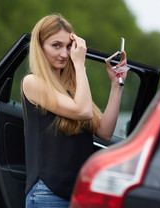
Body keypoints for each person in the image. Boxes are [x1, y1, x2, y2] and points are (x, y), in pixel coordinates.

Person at [22, 14, 127, 208]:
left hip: (78, 193)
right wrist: (80, 64)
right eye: (56, 45)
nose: (65, 53)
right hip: (48, 194)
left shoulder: (71, 88)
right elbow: (84, 111)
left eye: (69, 46)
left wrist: (116, 86)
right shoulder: (33, 82)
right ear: (40, 47)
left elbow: (104, 131)